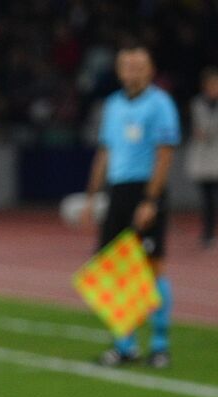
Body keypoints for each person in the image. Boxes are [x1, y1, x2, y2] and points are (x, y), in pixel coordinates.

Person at [86, 44, 180, 369]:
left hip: (145, 190)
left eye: (139, 65)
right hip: (118, 192)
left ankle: (160, 344)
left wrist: (151, 200)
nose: (133, 71)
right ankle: (125, 344)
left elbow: (165, 153)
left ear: (150, 69)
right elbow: (105, 151)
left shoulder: (160, 104)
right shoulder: (112, 105)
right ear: (119, 69)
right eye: (127, 65)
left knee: (152, 267)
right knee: (114, 270)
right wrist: (92, 194)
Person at [188, 67, 218, 249]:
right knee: (207, 200)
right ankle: (208, 232)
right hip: (204, 160)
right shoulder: (197, 104)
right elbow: (198, 130)